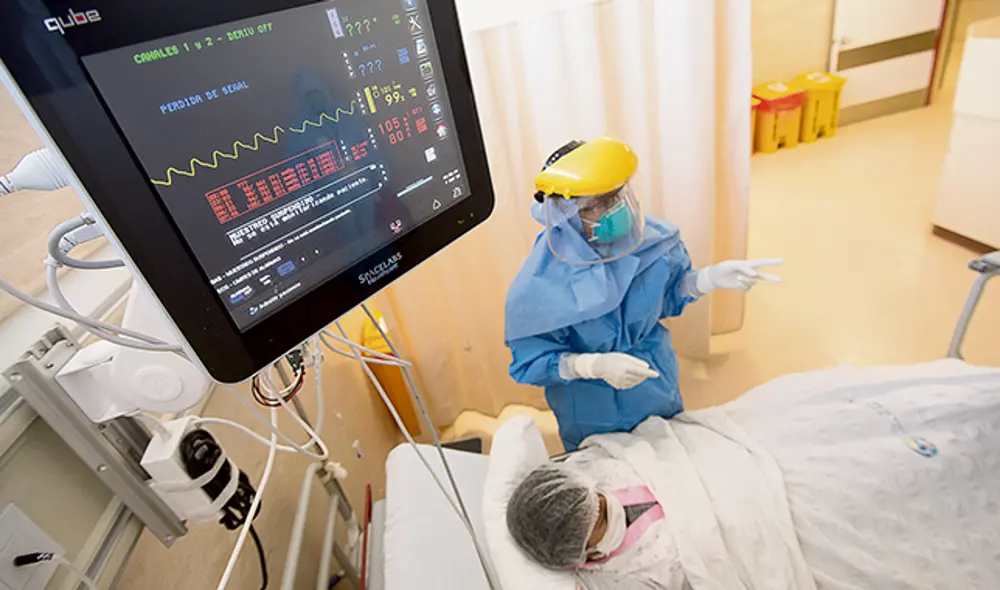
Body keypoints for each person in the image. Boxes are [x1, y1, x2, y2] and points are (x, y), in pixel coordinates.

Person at [505, 137, 781, 450]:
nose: (614, 211)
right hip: (590, 406)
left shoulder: (650, 243)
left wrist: (707, 279)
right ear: (564, 212)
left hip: (655, 377)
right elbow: (533, 361)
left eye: (616, 197)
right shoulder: (539, 286)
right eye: (596, 205)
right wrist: (593, 366)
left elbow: (667, 296)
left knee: (669, 448)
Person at [506, 451, 682, 589]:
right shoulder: (623, 578)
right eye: (602, 518)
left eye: (597, 495)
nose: (605, 500)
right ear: (583, 553)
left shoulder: (587, 468)